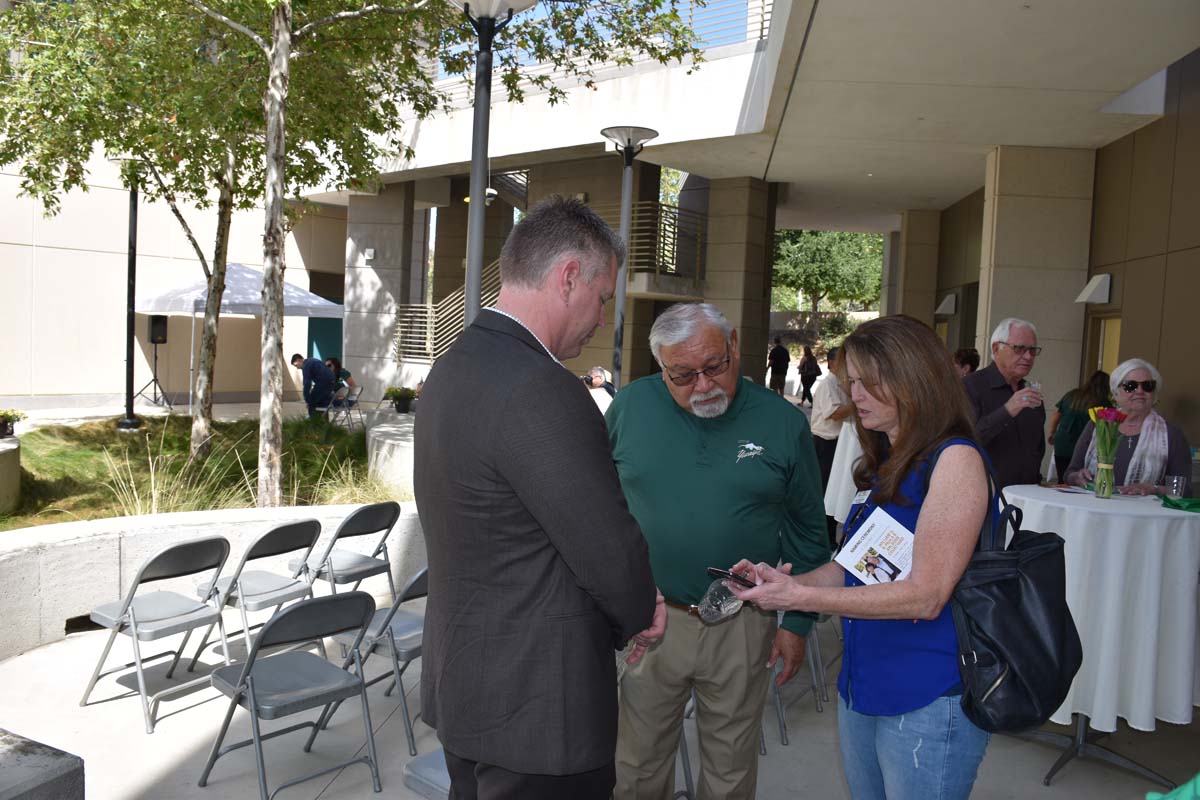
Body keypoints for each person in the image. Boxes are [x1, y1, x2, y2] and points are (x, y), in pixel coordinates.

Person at [413, 196, 664, 800]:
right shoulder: (545, 390)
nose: (602, 319)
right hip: (538, 711)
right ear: (569, 277)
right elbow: (605, 544)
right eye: (603, 298)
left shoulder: (452, 367)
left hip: (467, 688)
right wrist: (640, 613)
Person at [728, 314, 995, 800]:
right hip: (865, 685)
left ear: (916, 380)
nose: (857, 397)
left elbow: (926, 596)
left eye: (870, 384)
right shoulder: (896, 461)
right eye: (852, 383)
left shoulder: (955, 461)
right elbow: (854, 569)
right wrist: (783, 585)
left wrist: (803, 596)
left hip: (928, 694)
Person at [607, 302, 829, 800]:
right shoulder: (630, 408)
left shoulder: (781, 422)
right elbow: (599, 512)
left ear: (734, 347)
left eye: (714, 367)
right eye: (682, 375)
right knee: (635, 769)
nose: (703, 385)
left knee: (729, 771)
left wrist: (795, 624)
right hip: (651, 619)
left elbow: (808, 531)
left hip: (742, 622)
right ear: (661, 367)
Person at [1064, 358, 1192, 496]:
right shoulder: (1098, 425)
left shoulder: (1171, 435)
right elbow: (1070, 474)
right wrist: (1077, 477)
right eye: (1130, 386)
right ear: (1115, 393)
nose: (1139, 391)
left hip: (1144, 515)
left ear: (1154, 393)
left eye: (1147, 385)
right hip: (1095, 511)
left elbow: (1184, 489)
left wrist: (1153, 489)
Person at [962, 318, 1045, 488]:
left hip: (1027, 496)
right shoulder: (971, 386)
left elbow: (1037, 447)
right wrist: (1007, 410)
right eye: (1019, 349)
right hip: (984, 496)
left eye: (1032, 350)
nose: (1028, 356)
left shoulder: (1029, 391)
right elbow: (964, 441)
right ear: (996, 348)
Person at [811, 345, 854, 549]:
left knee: (835, 489)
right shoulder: (828, 384)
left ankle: (830, 536)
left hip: (838, 442)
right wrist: (859, 404)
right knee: (826, 489)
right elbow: (834, 413)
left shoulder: (842, 384)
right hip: (825, 442)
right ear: (831, 363)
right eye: (842, 361)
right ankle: (824, 537)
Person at [1047, 370, 1109, 483]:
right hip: (1083, 446)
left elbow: (1057, 413)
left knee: (1062, 479)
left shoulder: (1072, 394)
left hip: (1063, 442)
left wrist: (1051, 432)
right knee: (1080, 481)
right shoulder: (1104, 403)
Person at [290, 353, 335, 417]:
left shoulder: (306, 365)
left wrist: (307, 399)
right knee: (322, 404)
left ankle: (314, 423)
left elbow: (307, 383)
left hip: (323, 383)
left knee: (311, 404)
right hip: (331, 382)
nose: (297, 368)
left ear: (299, 360)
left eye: (296, 365)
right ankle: (324, 424)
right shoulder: (313, 360)